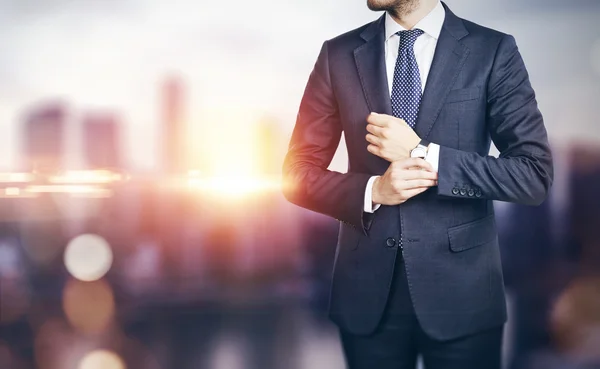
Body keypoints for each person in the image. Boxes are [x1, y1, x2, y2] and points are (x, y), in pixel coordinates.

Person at [282, 0, 553, 368]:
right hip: (366, 298)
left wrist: (423, 154)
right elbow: (296, 174)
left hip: (465, 297)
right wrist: (373, 190)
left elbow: (532, 174)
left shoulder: (492, 50)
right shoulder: (339, 54)